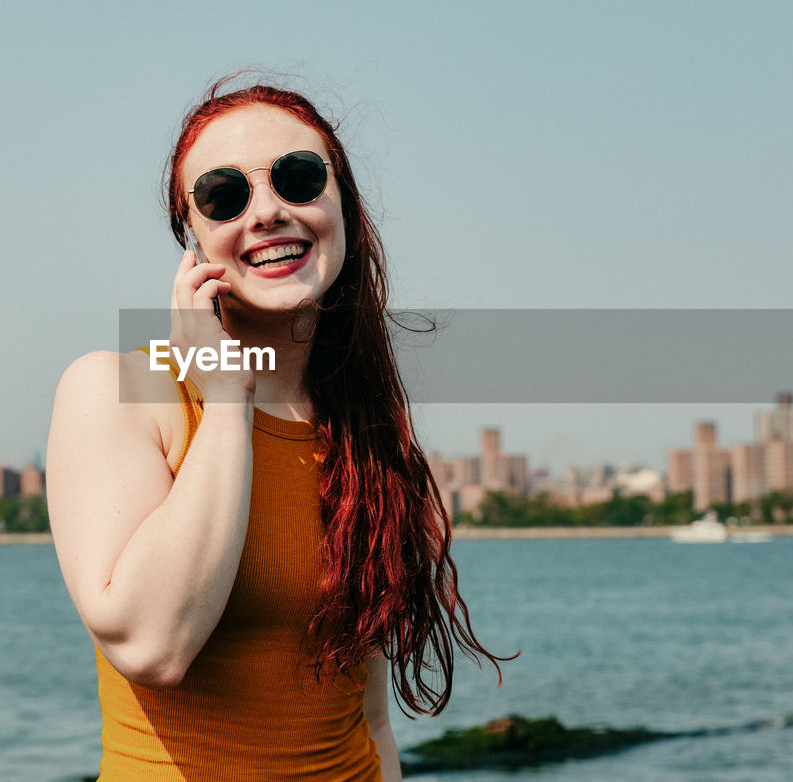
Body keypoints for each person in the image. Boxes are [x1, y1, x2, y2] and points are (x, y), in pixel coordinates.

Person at [47, 78, 508, 780]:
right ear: (192, 239)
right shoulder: (121, 392)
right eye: (225, 196)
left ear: (342, 205)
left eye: (297, 178)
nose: (267, 212)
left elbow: (373, 721)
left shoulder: (367, 432)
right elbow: (152, 646)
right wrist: (228, 398)